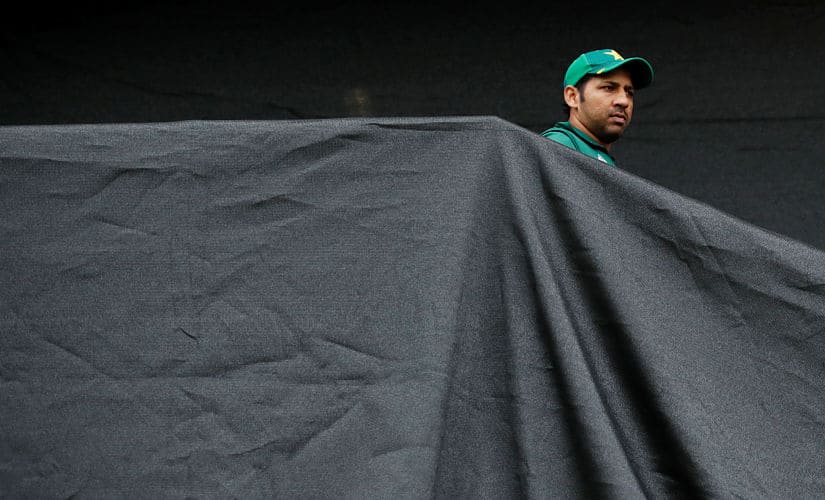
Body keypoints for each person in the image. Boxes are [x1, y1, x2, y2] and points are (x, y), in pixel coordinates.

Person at [542, 49, 654, 166]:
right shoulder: (558, 145)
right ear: (573, 97)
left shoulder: (589, 152)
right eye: (608, 88)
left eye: (629, 92)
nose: (624, 101)